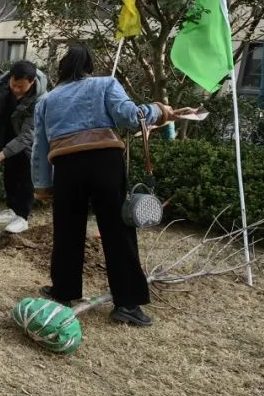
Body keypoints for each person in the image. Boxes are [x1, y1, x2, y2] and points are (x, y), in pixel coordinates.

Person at [32, 44, 187, 327]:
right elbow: (130, 118)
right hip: (105, 162)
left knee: (67, 231)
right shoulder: (105, 84)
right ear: (89, 67)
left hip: (67, 167)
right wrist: (160, 110)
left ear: (62, 69)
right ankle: (127, 304)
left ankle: (63, 291)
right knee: (118, 231)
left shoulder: (47, 99)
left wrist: (42, 186)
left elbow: (39, 146)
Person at [0, 60, 48, 235]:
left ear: (32, 83)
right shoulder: (6, 82)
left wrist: (1, 154)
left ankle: (22, 217)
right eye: (14, 84)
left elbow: (28, 135)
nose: (16, 90)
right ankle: (12, 210)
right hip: (8, 132)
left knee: (24, 178)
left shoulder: (39, 100)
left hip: (27, 141)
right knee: (10, 174)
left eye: (22, 87)